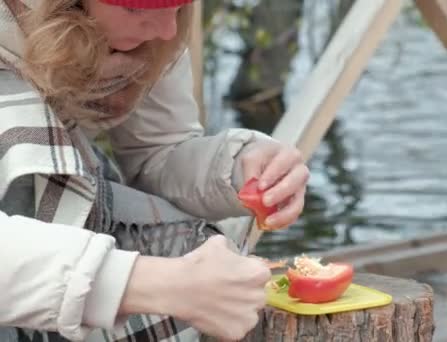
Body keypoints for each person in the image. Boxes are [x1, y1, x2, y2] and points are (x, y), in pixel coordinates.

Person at [0, 0, 310, 341]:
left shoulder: (155, 32)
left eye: (180, 8)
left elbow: (157, 156)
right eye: (136, 10)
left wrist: (240, 166)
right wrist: (150, 284)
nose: (169, 31)